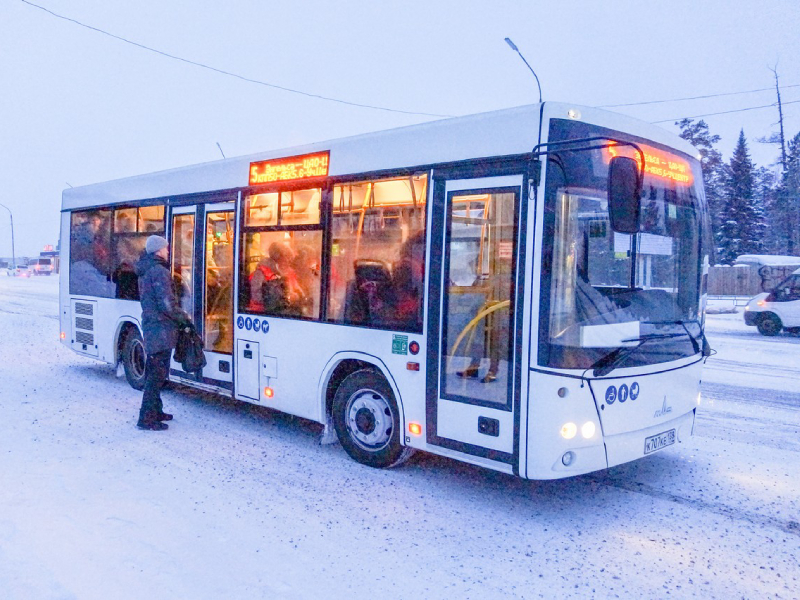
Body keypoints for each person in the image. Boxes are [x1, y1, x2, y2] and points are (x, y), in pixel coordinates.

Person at [134, 235, 192, 431]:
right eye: (166, 249)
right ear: (159, 250)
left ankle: (156, 411)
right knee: (156, 376)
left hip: (154, 327)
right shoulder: (158, 271)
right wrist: (183, 317)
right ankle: (147, 418)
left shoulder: (148, 269)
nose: (168, 251)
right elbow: (166, 303)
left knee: (156, 373)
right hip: (160, 329)